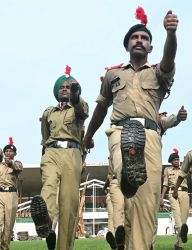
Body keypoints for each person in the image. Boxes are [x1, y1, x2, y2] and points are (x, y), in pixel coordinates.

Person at [84, 6, 179, 250]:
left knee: (145, 204)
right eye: (134, 38)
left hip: (150, 135)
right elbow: (101, 109)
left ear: (151, 47)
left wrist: (171, 33)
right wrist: (88, 136)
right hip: (120, 131)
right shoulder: (113, 74)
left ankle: (139, 245)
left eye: (144, 38)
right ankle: (127, 170)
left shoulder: (159, 73)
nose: (139, 41)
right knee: (123, 157)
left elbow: (169, 58)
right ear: (127, 46)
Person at [30, 66, 89, 250]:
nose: (65, 89)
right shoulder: (48, 112)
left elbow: (85, 111)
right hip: (51, 152)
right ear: (56, 92)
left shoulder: (78, 108)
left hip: (72, 154)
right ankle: (45, 220)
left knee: (69, 204)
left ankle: (64, 247)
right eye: (61, 87)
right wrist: (44, 156)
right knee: (49, 183)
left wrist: (76, 95)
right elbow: (45, 136)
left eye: (68, 87)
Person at [160, 149, 189, 250]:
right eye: (175, 160)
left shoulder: (184, 168)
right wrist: (162, 198)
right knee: (177, 217)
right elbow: (165, 184)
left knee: (184, 220)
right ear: (171, 161)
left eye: (178, 159)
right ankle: (182, 235)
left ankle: (178, 245)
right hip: (172, 194)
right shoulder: (167, 170)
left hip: (185, 193)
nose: (177, 161)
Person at [0, 138, 23, 250]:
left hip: (11, 195)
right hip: (0, 194)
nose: (8, 153)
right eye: (6, 151)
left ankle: (5, 247)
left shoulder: (17, 164)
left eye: (11, 151)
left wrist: (10, 162)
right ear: (3, 153)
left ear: (15, 153)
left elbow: (18, 168)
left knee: (9, 225)